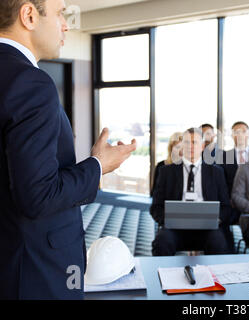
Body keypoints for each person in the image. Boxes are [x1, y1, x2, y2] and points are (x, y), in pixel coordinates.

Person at [0, 0, 136, 300]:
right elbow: (38, 196)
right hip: (32, 271)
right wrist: (98, 165)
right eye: (61, 13)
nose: (66, 24)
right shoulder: (30, 82)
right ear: (29, 15)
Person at [151, 128, 232, 256]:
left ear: (202, 146)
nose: (190, 146)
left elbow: (226, 207)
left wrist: (217, 220)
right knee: (162, 241)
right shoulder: (167, 172)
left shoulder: (216, 172)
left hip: (207, 228)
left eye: (194, 142)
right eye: (187, 142)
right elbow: (156, 207)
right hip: (175, 228)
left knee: (218, 241)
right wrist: (167, 221)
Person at [150, 132, 183, 197]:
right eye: (177, 147)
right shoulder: (161, 166)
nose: (180, 151)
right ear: (171, 148)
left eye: (183, 147)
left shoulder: (189, 168)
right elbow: (154, 192)